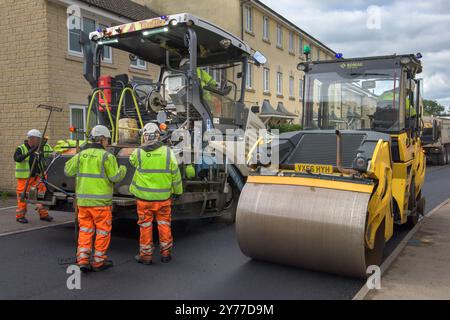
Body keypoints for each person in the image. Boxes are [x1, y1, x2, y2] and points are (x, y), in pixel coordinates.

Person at [64, 125, 126, 272]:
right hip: (100, 204)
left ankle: (83, 260)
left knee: (85, 230)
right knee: (102, 232)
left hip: (84, 203)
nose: (107, 143)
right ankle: (98, 262)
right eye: (107, 140)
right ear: (102, 139)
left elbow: (67, 170)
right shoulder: (107, 157)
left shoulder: (81, 155)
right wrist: (123, 169)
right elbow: (115, 177)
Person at [129, 123, 183, 265]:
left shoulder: (138, 152)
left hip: (144, 199)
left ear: (144, 136)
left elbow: (132, 161)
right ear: (158, 135)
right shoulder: (167, 152)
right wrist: (178, 192)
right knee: (164, 224)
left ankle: (146, 256)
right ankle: (166, 254)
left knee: (145, 226)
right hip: (163, 199)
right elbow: (175, 174)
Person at [14, 129, 54, 224]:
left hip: (39, 176)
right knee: (22, 197)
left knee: (42, 195)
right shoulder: (21, 148)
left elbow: (52, 157)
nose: (40, 141)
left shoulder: (45, 147)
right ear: (31, 139)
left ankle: (43, 214)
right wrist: (30, 152)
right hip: (25, 178)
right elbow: (17, 158)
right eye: (38, 139)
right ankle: (20, 216)